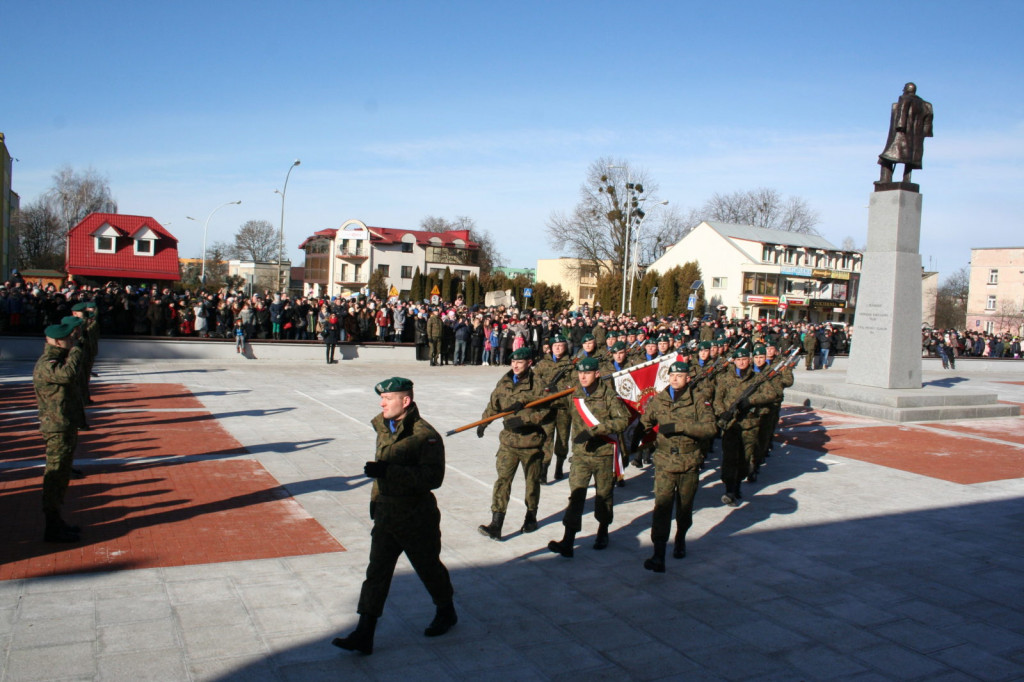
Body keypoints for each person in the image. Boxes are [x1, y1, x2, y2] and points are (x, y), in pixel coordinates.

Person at [333, 377, 456, 655]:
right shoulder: (385, 426)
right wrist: (376, 501)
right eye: (382, 398)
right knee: (376, 573)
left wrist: (388, 472)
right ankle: (364, 633)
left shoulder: (425, 435)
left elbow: (433, 478)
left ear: (406, 401)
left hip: (416, 516)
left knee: (428, 568)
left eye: (387, 399)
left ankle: (446, 611)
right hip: (387, 514)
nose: (382, 403)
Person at [636, 361, 717, 571]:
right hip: (664, 462)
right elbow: (645, 422)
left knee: (684, 506)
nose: (675, 379)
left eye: (679, 376)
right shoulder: (658, 400)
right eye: (672, 375)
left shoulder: (699, 400)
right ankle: (658, 553)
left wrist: (681, 426)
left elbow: (710, 429)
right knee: (662, 507)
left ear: (687, 378)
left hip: (689, 462)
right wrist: (636, 433)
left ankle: (680, 536)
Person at [547, 357, 630, 557]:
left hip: (603, 454)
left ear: (597, 374)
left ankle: (603, 531)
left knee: (603, 496)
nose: (583, 376)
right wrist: (544, 394)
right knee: (576, 497)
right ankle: (568, 540)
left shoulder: (609, 396)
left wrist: (597, 430)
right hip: (581, 456)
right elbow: (554, 402)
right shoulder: (574, 393)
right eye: (580, 373)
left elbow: (623, 420)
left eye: (587, 373)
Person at [476, 348, 550, 539]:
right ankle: (496, 523)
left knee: (532, 483)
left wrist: (526, 421)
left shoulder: (538, 384)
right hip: (508, 442)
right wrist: (485, 422)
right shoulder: (505, 381)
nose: (516, 365)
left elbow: (546, 411)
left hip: (531, 443)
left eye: (520, 362)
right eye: (513, 362)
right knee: (502, 481)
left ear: (529, 363)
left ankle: (531, 516)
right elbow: (494, 404)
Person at [33, 317, 87, 543]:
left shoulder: (56, 359)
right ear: (56, 341)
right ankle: (52, 527)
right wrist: (75, 351)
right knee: (55, 477)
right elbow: (68, 375)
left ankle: (57, 523)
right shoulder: (48, 364)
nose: (71, 340)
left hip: (64, 424)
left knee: (62, 476)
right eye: (67, 338)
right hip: (56, 426)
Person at [714, 348, 781, 506]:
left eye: (744, 359)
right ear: (734, 361)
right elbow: (717, 399)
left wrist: (751, 401)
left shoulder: (758, 379)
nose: (742, 362)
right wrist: (722, 412)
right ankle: (729, 489)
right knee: (729, 458)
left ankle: (738, 484)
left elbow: (772, 394)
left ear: (749, 361)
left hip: (750, 425)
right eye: (738, 360)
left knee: (745, 458)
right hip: (731, 425)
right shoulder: (724, 378)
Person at [533, 334, 575, 482]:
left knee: (563, 439)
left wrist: (557, 388)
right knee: (546, 438)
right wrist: (544, 389)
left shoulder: (570, 364)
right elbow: (535, 381)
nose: (558, 348)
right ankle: (544, 470)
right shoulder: (543, 364)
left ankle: (559, 466)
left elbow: (574, 384)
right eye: (555, 346)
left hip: (564, 408)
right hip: (547, 407)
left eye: (561, 345)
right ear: (550, 348)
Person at [878, 82, 934, 185]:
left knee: (885, 158)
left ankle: (885, 179)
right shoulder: (927, 105)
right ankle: (907, 180)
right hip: (916, 139)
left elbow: (902, 112)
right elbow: (928, 125)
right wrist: (925, 134)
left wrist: (900, 126)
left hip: (902, 134)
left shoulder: (904, 98)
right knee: (910, 159)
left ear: (907, 90)